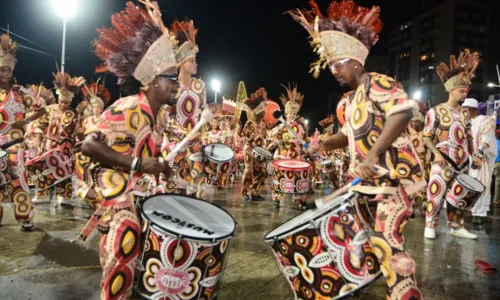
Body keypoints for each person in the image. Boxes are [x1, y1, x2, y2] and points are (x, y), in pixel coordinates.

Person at [291, 1, 424, 299]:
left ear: (355, 61)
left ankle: (405, 293)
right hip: (367, 185)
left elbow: (402, 112)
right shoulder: (352, 100)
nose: (334, 71)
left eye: (338, 64)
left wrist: (374, 154)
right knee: (359, 239)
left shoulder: (377, 82)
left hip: (393, 181)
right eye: (330, 66)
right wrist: (325, 143)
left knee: (386, 241)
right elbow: (347, 134)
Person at [77, 2, 180, 299]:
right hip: (113, 189)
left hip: (137, 187)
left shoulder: (159, 115)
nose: (177, 86)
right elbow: (88, 144)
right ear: (151, 81)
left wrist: (159, 165)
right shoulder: (128, 107)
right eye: (171, 79)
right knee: (125, 239)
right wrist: (138, 164)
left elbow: (148, 153)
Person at [423, 52, 480, 240]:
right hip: (443, 160)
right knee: (436, 193)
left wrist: (475, 155)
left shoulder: (465, 114)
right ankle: (429, 225)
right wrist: (436, 154)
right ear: (451, 90)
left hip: (462, 161)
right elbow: (427, 137)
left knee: (459, 197)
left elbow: (469, 137)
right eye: (461, 91)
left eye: (466, 91)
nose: (465, 93)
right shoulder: (435, 111)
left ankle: (456, 226)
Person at [27, 71, 85, 205]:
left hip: (66, 148)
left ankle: (64, 197)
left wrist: (82, 143)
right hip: (48, 145)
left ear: (70, 101)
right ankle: (42, 195)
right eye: (61, 101)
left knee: (64, 172)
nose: (63, 104)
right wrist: (38, 142)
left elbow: (78, 131)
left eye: (66, 102)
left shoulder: (74, 113)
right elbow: (40, 127)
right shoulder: (49, 109)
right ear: (58, 98)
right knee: (43, 169)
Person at [0, 33, 35, 231]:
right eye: (1, 69)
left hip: (15, 147)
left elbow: (41, 108)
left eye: (7, 69)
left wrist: (26, 121)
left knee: (18, 183)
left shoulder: (20, 92)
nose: (4, 73)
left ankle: (25, 218)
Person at [171, 19, 207, 197]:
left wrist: (205, 121)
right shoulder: (170, 87)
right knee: (176, 183)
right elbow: (166, 118)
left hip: (195, 141)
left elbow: (203, 111)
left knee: (196, 184)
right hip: (174, 142)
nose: (196, 64)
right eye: (192, 61)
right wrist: (183, 133)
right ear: (182, 63)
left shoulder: (200, 86)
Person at [268, 84, 308, 209]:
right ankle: (277, 199)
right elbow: (270, 135)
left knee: (298, 176)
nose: (291, 115)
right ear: (286, 113)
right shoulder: (281, 125)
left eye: (293, 113)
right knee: (280, 175)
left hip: (296, 155)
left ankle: (300, 199)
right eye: (289, 113)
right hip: (283, 155)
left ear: (296, 114)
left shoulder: (300, 127)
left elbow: (302, 139)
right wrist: (277, 140)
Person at [74, 82, 111, 210]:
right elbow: (82, 135)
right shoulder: (86, 121)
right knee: (85, 172)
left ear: (101, 108)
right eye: (93, 107)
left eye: (98, 107)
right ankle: (89, 194)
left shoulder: (105, 120)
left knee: (97, 173)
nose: (95, 109)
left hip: (99, 150)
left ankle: (99, 196)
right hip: (87, 150)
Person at [462, 98, 497, 224]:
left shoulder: (486, 121)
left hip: (480, 160)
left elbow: (486, 141)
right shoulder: (465, 122)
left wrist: (478, 155)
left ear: (471, 109)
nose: (463, 111)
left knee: (479, 185)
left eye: (465, 109)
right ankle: (467, 210)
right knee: (466, 185)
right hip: (467, 159)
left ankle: (478, 214)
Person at [240, 88, 268, 201]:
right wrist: (250, 139)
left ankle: (254, 191)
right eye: (262, 110)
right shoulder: (249, 123)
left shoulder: (264, 123)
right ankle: (244, 192)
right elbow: (243, 136)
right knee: (248, 171)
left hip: (260, 152)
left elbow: (265, 137)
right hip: (249, 151)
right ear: (256, 111)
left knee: (261, 172)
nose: (265, 112)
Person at [408, 112, 428, 214]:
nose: (413, 123)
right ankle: (412, 203)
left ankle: (424, 202)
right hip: (412, 162)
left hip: (424, 161)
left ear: (421, 122)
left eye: (416, 121)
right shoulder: (409, 134)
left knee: (423, 183)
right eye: (412, 121)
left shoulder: (425, 133)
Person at [493, 129, 500, 206]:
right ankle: (496, 199)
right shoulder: (497, 143)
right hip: (498, 163)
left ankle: (496, 199)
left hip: (495, 164)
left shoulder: (494, 143)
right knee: (498, 182)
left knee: (497, 182)